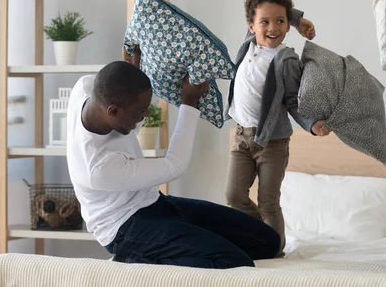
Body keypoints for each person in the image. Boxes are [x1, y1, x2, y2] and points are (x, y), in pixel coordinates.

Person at [67, 60, 281, 268]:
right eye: (140, 112)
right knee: (234, 262)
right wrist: (188, 103)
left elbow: (119, 88)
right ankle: (134, 259)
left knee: (268, 242)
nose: (147, 114)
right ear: (113, 111)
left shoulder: (85, 87)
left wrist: (137, 67)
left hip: (154, 202)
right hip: (125, 227)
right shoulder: (98, 168)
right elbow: (175, 165)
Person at [224, 0, 330, 252]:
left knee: (268, 201)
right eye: (265, 22)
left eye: (281, 21)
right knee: (234, 196)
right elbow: (265, 7)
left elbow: (294, 101)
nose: (273, 27)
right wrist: (298, 19)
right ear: (251, 26)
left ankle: (273, 250)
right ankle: (262, 233)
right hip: (241, 137)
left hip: (272, 142)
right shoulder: (247, 45)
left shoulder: (286, 60)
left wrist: (311, 123)